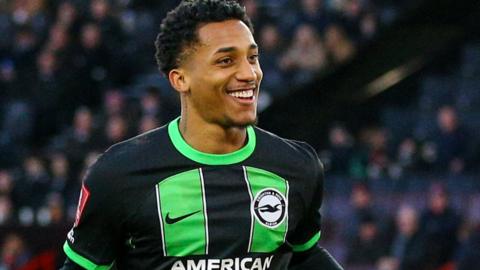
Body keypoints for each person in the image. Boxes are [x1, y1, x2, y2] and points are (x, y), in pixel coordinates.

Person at [61, 1, 343, 269]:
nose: (249, 73)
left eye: (252, 57)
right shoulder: (118, 175)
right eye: (226, 61)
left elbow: (304, 257)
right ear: (180, 79)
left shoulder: (297, 166)